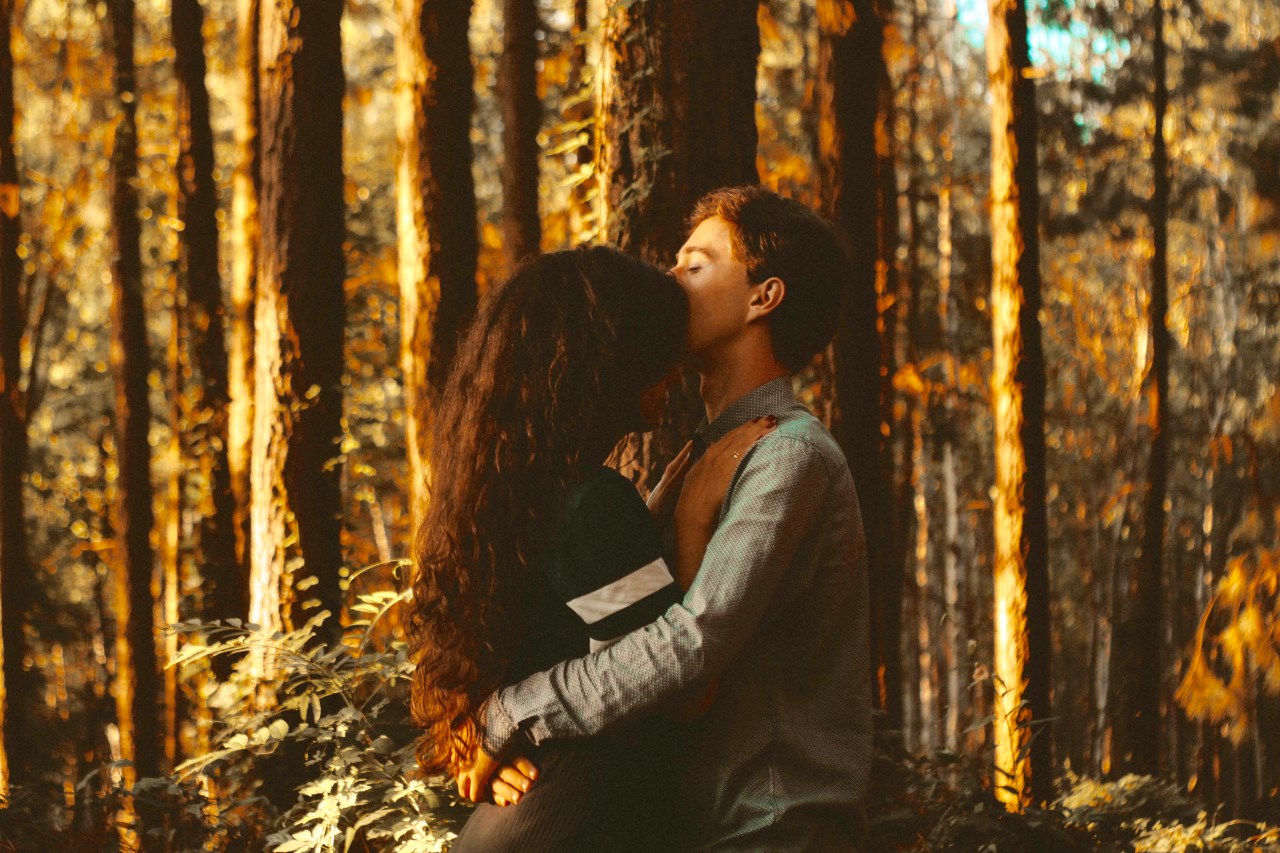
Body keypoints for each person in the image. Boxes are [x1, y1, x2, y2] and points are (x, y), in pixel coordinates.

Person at [463, 186, 874, 852]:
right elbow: (623, 629)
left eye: (695, 264)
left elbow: (689, 642)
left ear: (763, 297)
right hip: (702, 826)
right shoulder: (700, 456)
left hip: (772, 829)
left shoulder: (789, 455)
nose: (670, 281)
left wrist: (513, 711)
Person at [406, 246, 774, 851]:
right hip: (579, 816)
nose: (675, 372)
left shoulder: (512, 491)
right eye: (658, 352)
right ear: (608, 363)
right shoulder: (592, 504)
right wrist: (692, 523)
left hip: (521, 818)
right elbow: (682, 692)